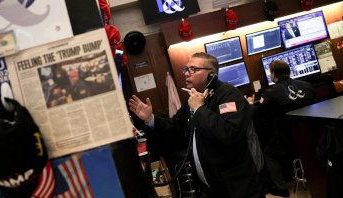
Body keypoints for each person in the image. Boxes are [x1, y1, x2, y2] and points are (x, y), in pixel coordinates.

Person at [129, 52, 263, 197]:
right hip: (211, 185)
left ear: (211, 74)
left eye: (193, 69)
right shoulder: (195, 97)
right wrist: (150, 118)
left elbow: (228, 132)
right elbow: (174, 125)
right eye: (186, 69)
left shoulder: (229, 95)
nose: (187, 74)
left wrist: (199, 109)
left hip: (238, 185)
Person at [247, 60, 315, 197]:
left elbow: (255, 113)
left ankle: (281, 187)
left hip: (288, 139)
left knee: (268, 154)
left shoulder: (270, 93)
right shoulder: (308, 86)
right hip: (311, 134)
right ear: (289, 71)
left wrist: (249, 103)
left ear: (272, 74)